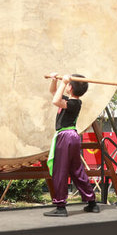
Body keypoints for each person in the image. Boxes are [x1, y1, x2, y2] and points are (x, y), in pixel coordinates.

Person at [44, 73, 98, 217]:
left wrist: (64, 82)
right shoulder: (70, 101)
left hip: (66, 136)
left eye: (67, 85)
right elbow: (53, 93)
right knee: (76, 169)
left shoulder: (74, 103)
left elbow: (55, 101)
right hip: (71, 137)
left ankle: (60, 206)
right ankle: (91, 202)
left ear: (70, 88)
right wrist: (55, 81)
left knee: (60, 170)